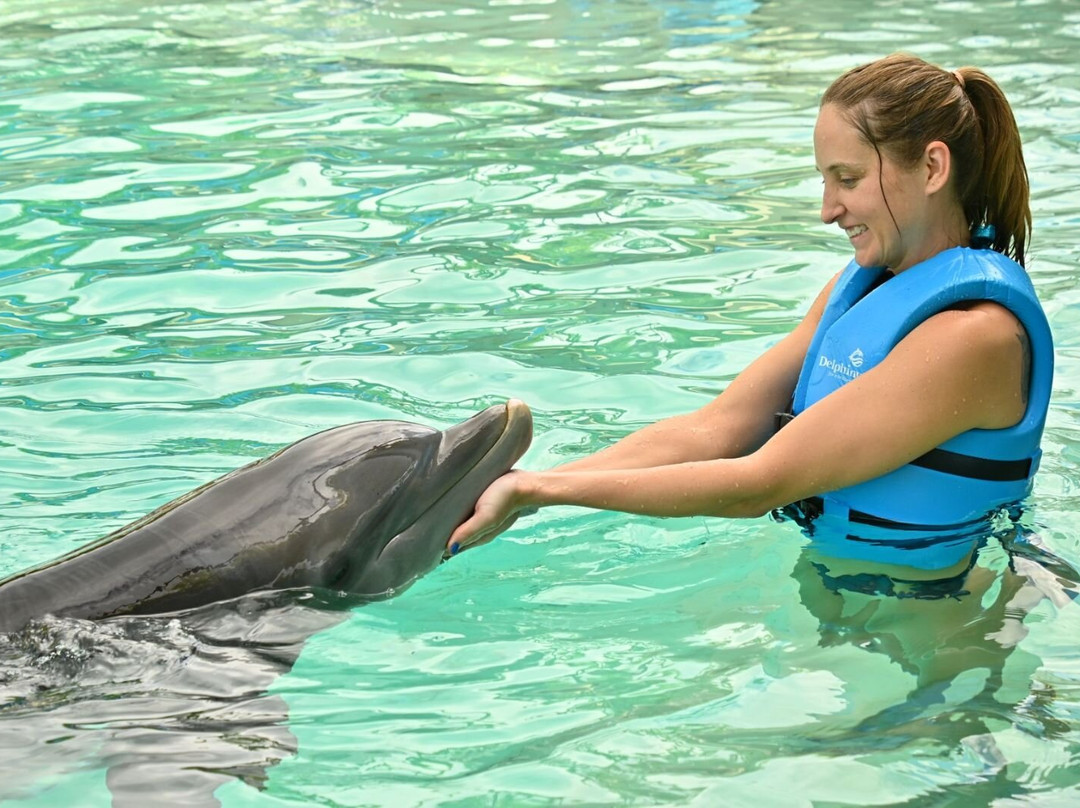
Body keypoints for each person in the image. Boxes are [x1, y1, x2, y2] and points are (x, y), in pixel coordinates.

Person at [445, 53, 1054, 577]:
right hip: (857, 595)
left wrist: (539, 492)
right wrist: (531, 485)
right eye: (824, 180)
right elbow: (715, 431)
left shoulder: (976, 335)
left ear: (932, 169)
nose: (827, 210)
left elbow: (763, 481)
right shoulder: (865, 291)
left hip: (942, 626)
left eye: (848, 178)